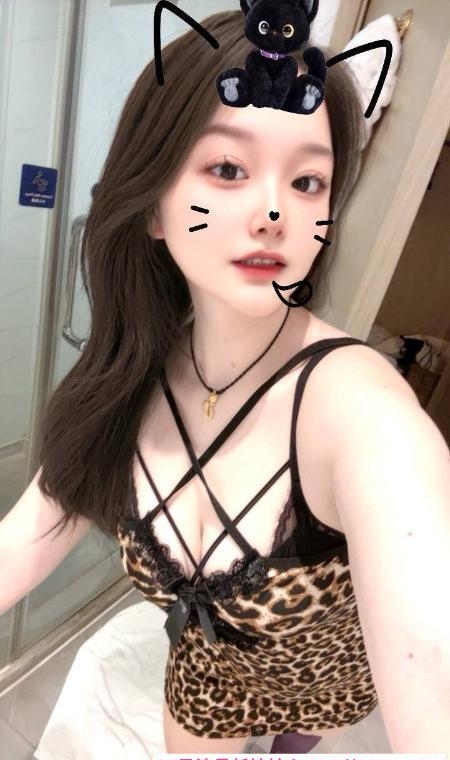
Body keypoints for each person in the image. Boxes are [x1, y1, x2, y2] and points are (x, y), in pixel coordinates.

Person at [2, 10, 449, 755]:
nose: (275, 212)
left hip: (327, 683)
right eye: (230, 169)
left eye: (307, 181)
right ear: (151, 204)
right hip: (207, 680)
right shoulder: (126, 380)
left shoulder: (363, 414)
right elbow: (24, 539)